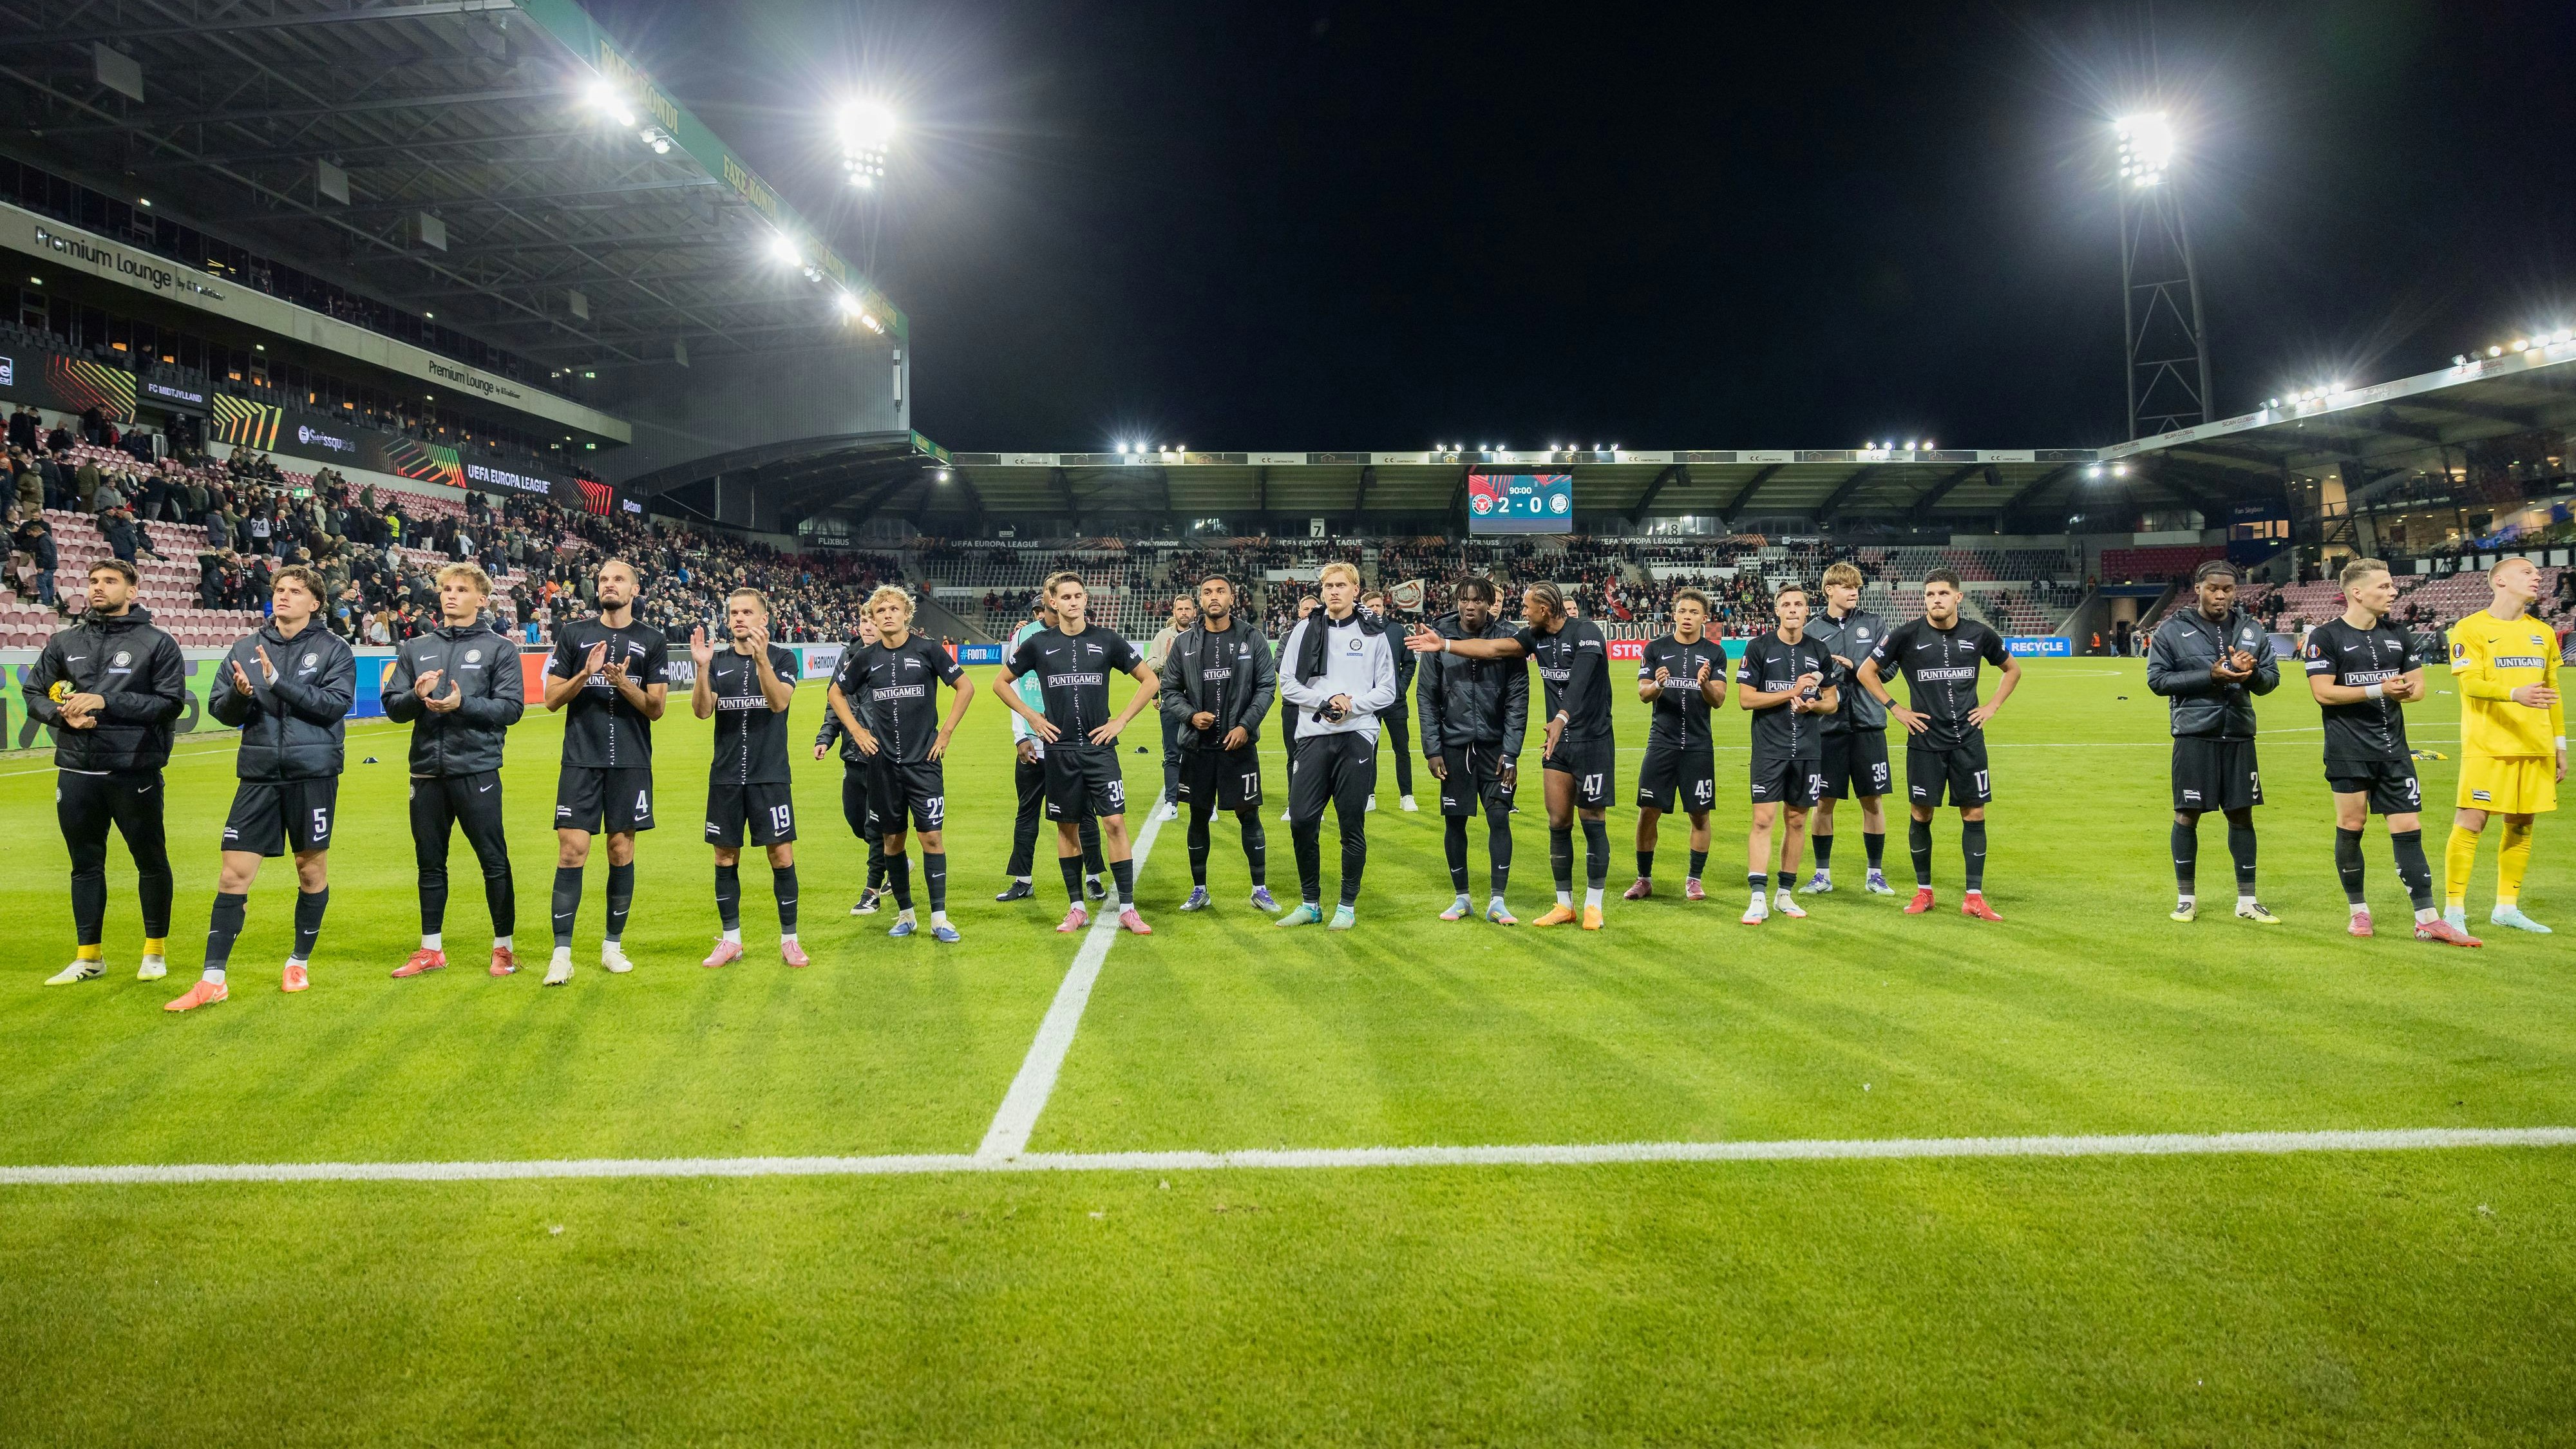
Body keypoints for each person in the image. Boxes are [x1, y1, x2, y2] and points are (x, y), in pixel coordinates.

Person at [165, 566, 355, 1010]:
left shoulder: (333, 649)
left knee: (310, 872)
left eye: (294, 591)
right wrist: (241, 695)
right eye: (279, 590)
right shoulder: (245, 647)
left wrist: (277, 683)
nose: (283, 597)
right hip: (258, 775)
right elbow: (222, 711)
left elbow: (332, 706)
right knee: (233, 875)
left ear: (315, 603)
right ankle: (213, 979)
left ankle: (298, 962)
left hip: (312, 775)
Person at [1407, 580, 1614, 929]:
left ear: (1544, 610)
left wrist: (1560, 719)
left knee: (1592, 819)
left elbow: (1578, 683)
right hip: (1555, 743)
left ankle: (1594, 904)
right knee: (1558, 822)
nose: (1522, 611)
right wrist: (1443, 643)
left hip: (1591, 740)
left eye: (1527, 606)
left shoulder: (1587, 631)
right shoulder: (1532, 637)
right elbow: (1491, 649)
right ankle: (1565, 904)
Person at [2304, 558, 2477, 945]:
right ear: (2357, 592)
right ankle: (2359, 912)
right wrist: (2379, 689)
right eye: (2383, 586)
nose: (2393, 592)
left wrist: (2402, 689)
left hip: (2395, 750)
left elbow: (2417, 690)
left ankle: (2427, 919)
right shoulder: (2326, 636)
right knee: (2352, 826)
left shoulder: (2399, 633)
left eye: (2392, 586)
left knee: (2409, 829)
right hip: (2349, 750)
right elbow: (2323, 692)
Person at [30, 560, 186, 987]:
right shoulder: (65, 642)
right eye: (94, 581)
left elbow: (170, 703)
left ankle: (154, 952)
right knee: (84, 865)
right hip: (76, 770)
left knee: (150, 861)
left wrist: (105, 701)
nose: (99, 588)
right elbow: (34, 692)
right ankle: (89, 958)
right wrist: (63, 717)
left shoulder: (157, 643)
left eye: (110, 581)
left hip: (133, 769)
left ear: (133, 591)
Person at [996, 571, 1159, 934]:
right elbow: (1000, 683)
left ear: (1086, 600)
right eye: (1065, 597)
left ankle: (1129, 909)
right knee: (1067, 827)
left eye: (1078, 596)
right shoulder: (1039, 644)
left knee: (1114, 822)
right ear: (1053, 602)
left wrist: (1121, 721)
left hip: (1101, 750)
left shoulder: (1107, 640)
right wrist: (1032, 717)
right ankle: (1076, 907)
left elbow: (1150, 680)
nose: (1073, 602)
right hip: (1061, 751)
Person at [384, 564, 525, 980]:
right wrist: (416, 695)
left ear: (482, 599)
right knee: (430, 863)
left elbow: (511, 709)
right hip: (426, 771)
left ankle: (504, 949)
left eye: (461, 589)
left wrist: (462, 705)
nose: (450, 595)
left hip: (476, 768)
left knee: (493, 861)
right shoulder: (414, 649)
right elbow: (393, 707)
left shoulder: (501, 649)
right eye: (446, 588)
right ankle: (431, 950)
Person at [1857, 569, 2020, 920]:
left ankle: (1974, 897)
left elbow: (2013, 670)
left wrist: (1991, 707)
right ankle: (1924, 892)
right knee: (1921, 813)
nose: (1936, 600)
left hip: (1968, 741)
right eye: (1930, 594)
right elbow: (1866, 672)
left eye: (1943, 594)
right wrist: (1896, 708)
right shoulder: (1906, 635)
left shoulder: (1979, 635)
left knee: (1974, 813)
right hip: (1924, 741)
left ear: (1958, 597)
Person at [541, 558, 670, 985]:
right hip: (581, 758)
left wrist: (622, 684)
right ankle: (562, 954)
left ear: (634, 590)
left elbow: (657, 709)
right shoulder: (574, 634)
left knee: (620, 851)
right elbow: (552, 699)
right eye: (603, 580)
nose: (609, 585)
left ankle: (612, 947)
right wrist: (586, 674)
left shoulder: (652, 640)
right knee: (571, 850)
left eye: (618, 579)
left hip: (631, 761)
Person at [829, 586, 976, 943]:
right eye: (881, 611)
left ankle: (940, 918)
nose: (888, 615)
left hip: (923, 763)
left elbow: (966, 687)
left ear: (907, 614)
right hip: (882, 766)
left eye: (895, 609)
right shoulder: (866, 658)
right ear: (874, 619)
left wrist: (946, 733)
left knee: (931, 837)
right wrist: (857, 731)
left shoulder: (927, 650)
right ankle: (906, 915)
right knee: (892, 841)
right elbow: (836, 692)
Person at [2146, 560, 2282, 925]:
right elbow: (2157, 681)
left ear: (2235, 591)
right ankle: (2186, 898)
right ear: (2198, 588)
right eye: (2213, 588)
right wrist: (2211, 675)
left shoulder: (2252, 629)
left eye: (2227, 589)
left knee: (2241, 815)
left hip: (2238, 734)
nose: (2220, 595)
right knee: (2187, 815)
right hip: (2194, 735)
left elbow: (2270, 680)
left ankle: (2247, 901)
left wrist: (2250, 674)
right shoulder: (2172, 631)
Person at [2442, 556, 2564, 935]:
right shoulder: (2470, 628)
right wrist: (2515, 693)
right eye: (2527, 572)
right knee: (2472, 822)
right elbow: (2471, 684)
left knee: (2523, 824)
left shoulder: (2542, 632)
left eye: (2537, 572)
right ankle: (2454, 911)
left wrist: (2560, 745)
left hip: (2536, 743)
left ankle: (2507, 908)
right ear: (2499, 581)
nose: (2538, 576)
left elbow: (2552, 691)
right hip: (2488, 744)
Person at [1272, 562, 1396, 928]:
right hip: (1312, 736)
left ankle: (1346, 905)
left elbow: (1387, 689)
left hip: (1357, 735)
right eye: (1328, 585)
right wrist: (1325, 703)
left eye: (1341, 585)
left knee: (1350, 824)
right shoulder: (1303, 630)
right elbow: (1288, 685)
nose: (1333, 591)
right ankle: (1311, 903)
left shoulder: (1374, 633)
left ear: (1356, 589)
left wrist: (1351, 705)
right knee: (1302, 820)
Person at [692, 588, 803, 966]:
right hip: (725, 777)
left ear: (764, 619)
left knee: (781, 853)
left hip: (769, 775)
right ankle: (731, 939)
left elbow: (778, 702)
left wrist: (761, 662)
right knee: (725, 856)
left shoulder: (783, 658)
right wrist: (702, 670)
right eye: (734, 613)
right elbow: (703, 713)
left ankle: (790, 939)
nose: (739, 618)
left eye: (747, 612)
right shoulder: (719, 661)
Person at [1158, 573, 1279, 912]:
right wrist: (1190, 716)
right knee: (1198, 816)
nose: (1214, 597)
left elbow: (1266, 687)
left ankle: (1260, 888)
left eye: (1221, 591)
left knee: (1249, 815)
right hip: (1198, 748)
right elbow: (1168, 690)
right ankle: (1200, 890)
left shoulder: (1251, 638)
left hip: (1238, 747)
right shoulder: (1184, 643)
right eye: (1208, 592)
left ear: (1232, 597)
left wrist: (1245, 726)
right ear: (1200, 600)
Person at [1417, 576, 1528, 923]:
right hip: (1454, 747)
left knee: (1499, 817)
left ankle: (1498, 900)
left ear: (1489, 603)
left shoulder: (1508, 638)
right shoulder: (1438, 632)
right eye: (1464, 599)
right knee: (1455, 821)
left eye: (1477, 600)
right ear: (1457, 600)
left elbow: (1517, 699)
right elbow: (1427, 696)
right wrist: (1432, 749)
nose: (1470, 606)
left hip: (1496, 749)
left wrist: (1511, 751)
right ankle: (1462, 898)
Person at [1734, 583, 1841, 925]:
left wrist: (1813, 706)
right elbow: (1746, 699)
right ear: (1777, 611)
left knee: (1796, 821)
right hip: (1770, 749)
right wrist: (1791, 693)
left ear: (1806, 611)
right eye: (1786, 605)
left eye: (1798, 604)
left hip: (1808, 750)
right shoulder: (1759, 647)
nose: (1793, 609)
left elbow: (1832, 701)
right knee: (1763, 820)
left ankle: (1784, 895)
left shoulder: (1819, 650)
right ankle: (1757, 897)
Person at [998, 594, 1106, 904]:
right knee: (1027, 813)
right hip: (1034, 741)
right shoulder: (1024, 635)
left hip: (1073, 745)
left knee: (1084, 813)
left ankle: (1094, 878)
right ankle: (1022, 880)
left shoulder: (1082, 634)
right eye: (1047, 605)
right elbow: (1012, 686)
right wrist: (1020, 736)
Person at [1801, 560, 1894, 895]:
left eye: (1856, 586)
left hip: (1869, 723)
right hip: (1828, 728)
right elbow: (1804, 676)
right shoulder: (1811, 631)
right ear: (1829, 590)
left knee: (1872, 801)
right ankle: (1822, 874)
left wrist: (1856, 667)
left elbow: (1891, 668)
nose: (1853, 591)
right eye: (1846, 586)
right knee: (1824, 802)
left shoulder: (1875, 623)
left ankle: (1875, 874)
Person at [1627, 587, 1725, 902]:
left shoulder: (1715, 653)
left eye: (1694, 612)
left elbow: (1720, 699)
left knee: (1699, 814)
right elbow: (1643, 694)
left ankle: (1694, 880)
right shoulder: (1655, 649)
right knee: (1648, 810)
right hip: (1662, 743)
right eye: (1683, 611)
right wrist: (1658, 684)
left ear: (1704, 618)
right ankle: (1643, 879)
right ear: (1674, 614)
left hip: (1698, 745)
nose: (1688, 617)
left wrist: (1705, 684)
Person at [818, 614, 895, 914]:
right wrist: (825, 737)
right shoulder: (847, 656)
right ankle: (895, 857)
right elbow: (834, 702)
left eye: (872, 620)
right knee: (856, 822)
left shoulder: (892, 657)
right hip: (852, 754)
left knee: (875, 826)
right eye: (863, 620)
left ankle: (871, 891)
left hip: (882, 755)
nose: (867, 626)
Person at [1359, 590, 1419, 812]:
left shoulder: (1396, 630)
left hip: (1395, 701)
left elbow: (1409, 663)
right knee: (1368, 750)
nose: (1376, 609)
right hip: (1368, 703)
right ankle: (1369, 795)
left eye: (1379, 605)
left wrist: (1399, 688)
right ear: (1364, 608)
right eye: (1372, 606)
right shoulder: (1358, 630)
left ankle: (1407, 796)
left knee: (1402, 749)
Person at [1145, 592, 1197, 821]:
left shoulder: (1201, 634)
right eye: (1180, 609)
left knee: (1200, 754)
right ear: (1174, 612)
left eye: (1188, 609)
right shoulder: (1162, 636)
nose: (1184, 613)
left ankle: (1204, 803)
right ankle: (1171, 803)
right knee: (1172, 753)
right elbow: (1149, 665)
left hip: (1197, 703)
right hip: (1171, 703)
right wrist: (1168, 659)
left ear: (1194, 612)